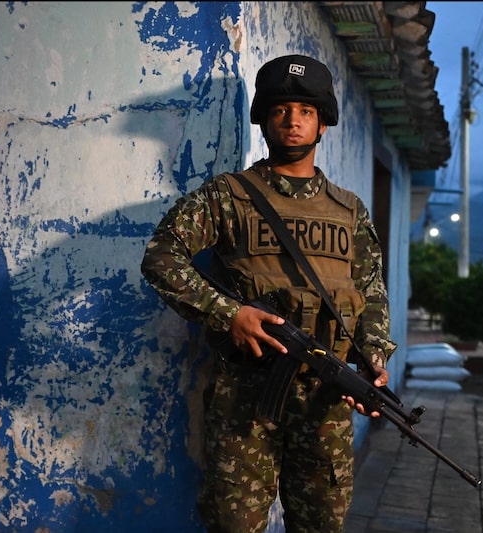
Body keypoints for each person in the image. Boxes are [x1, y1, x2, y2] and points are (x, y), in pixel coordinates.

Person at [141, 54, 397, 532]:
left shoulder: (350, 211)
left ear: (323, 123)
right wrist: (228, 313)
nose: (293, 119)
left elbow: (370, 293)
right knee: (234, 523)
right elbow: (161, 257)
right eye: (281, 108)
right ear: (265, 118)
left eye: (305, 110)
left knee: (321, 523)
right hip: (245, 399)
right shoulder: (228, 196)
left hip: (326, 402)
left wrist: (373, 361)